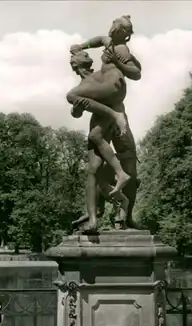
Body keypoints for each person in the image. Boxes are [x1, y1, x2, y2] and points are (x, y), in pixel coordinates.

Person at [67, 15, 141, 201]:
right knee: (96, 137)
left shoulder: (120, 48)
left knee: (72, 96)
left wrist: (117, 62)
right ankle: (107, 202)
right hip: (111, 93)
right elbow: (99, 39)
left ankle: (114, 115)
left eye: (116, 28)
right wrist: (82, 46)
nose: (111, 30)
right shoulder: (109, 42)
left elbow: (136, 74)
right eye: (113, 26)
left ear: (121, 33)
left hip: (112, 90)